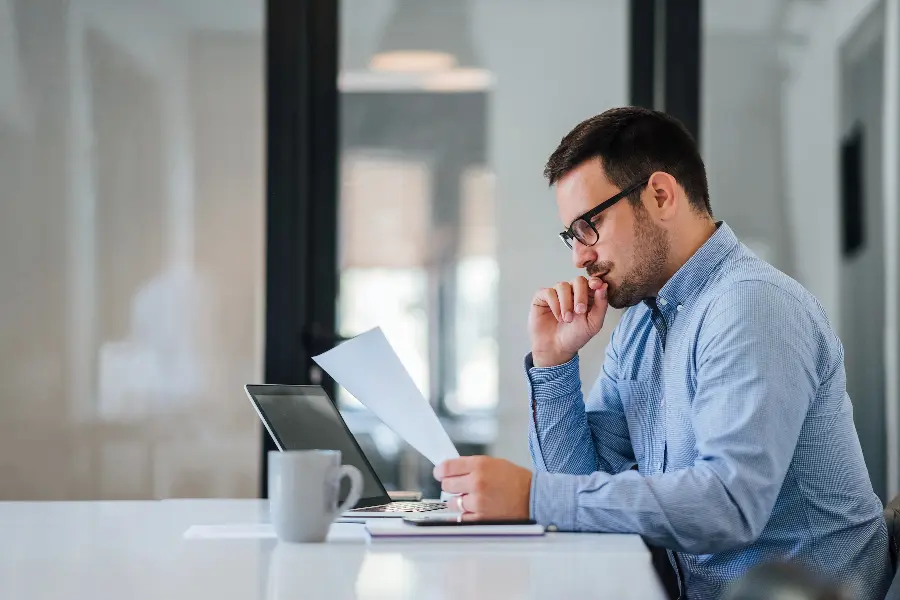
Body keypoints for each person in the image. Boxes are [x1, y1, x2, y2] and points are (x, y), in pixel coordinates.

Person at [433, 107, 892, 599]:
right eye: (572, 235)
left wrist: (532, 497)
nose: (579, 256)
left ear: (660, 195)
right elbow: (580, 482)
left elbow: (729, 506)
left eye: (590, 225)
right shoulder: (641, 325)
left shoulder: (750, 305)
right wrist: (553, 362)